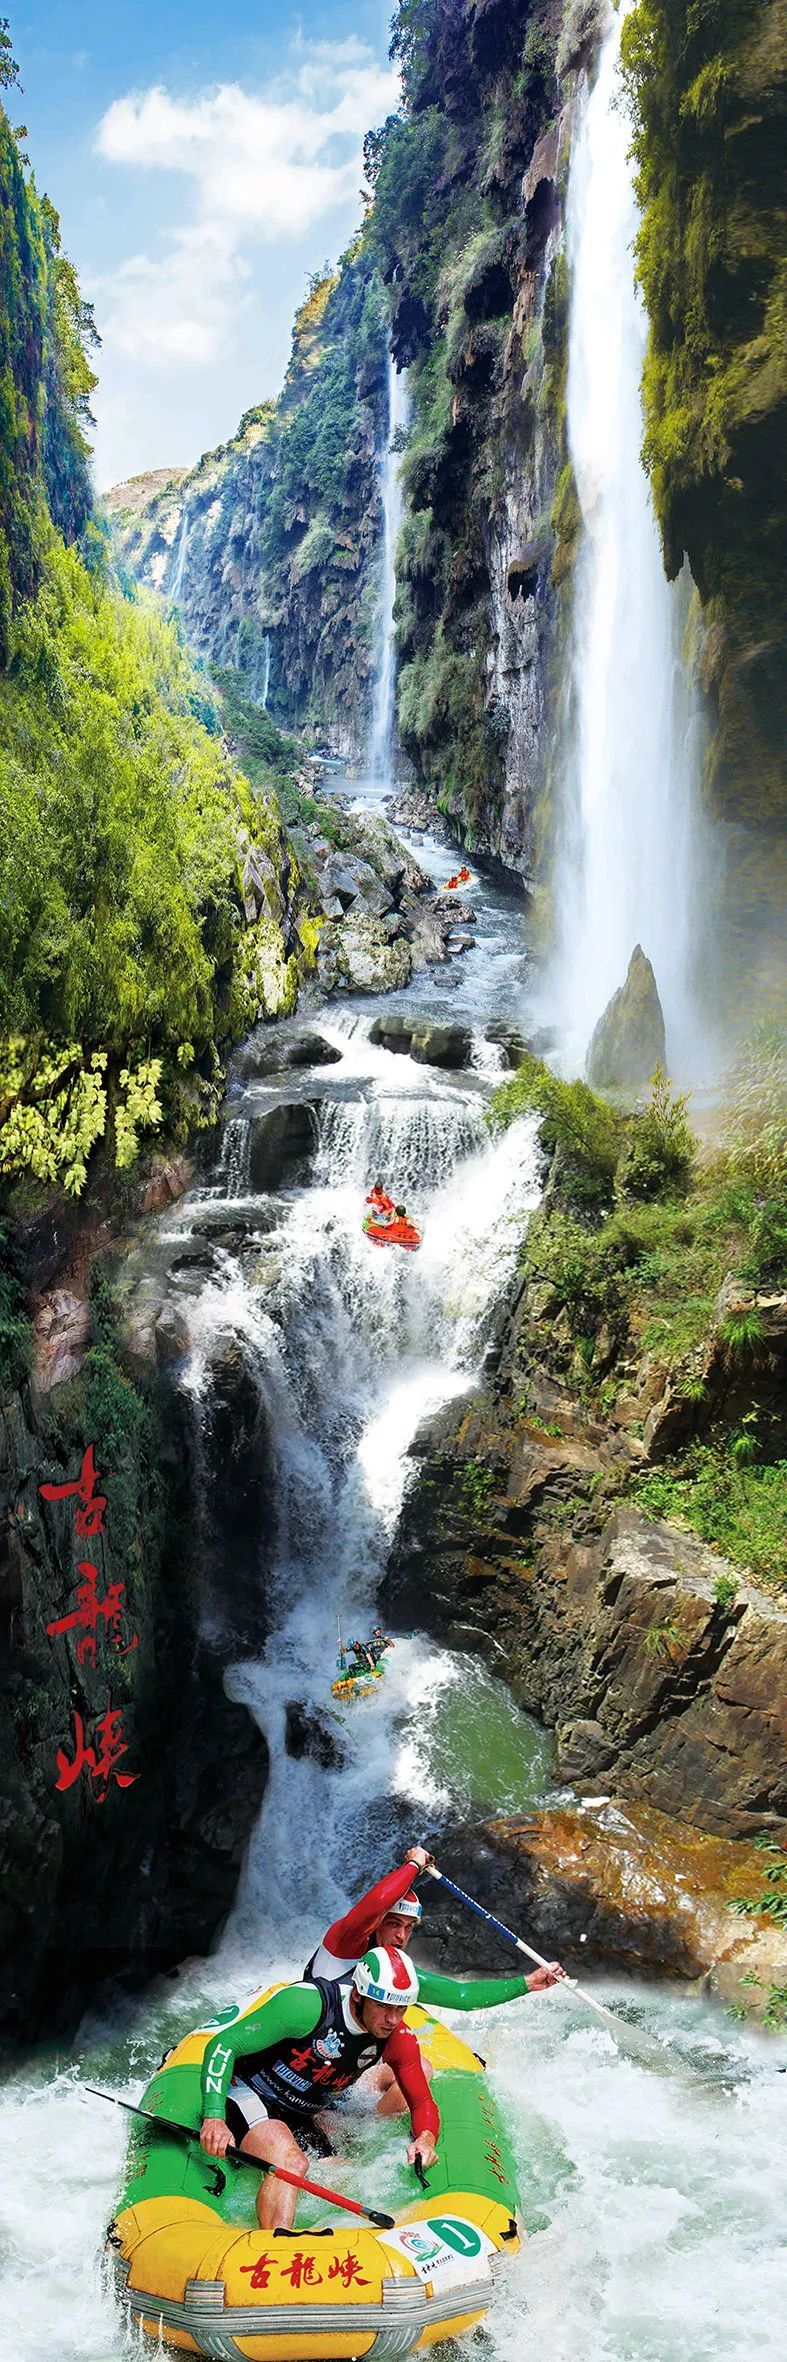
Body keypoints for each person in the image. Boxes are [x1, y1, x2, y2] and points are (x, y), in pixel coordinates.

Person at [199, 1948, 439, 2231]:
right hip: (249, 2092)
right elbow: (224, 2045)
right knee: (291, 2163)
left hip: (301, 2112)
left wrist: (426, 2139)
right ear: (358, 1995)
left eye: (401, 2008)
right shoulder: (306, 2005)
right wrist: (213, 2117)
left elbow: (422, 2102)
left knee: (346, 2176)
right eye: (384, 2006)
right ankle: (275, 2246)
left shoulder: (397, 2037)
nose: (393, 2019)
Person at [305, 1846, 565, 2007]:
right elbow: (378, 1902)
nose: (401, 1935)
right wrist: (414, 1865)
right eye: (394, 1924)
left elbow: (461, 1995)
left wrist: (528, 1983)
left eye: (409, 1927)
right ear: (376, 1924)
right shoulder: (346, 1940)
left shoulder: (397, 1972)